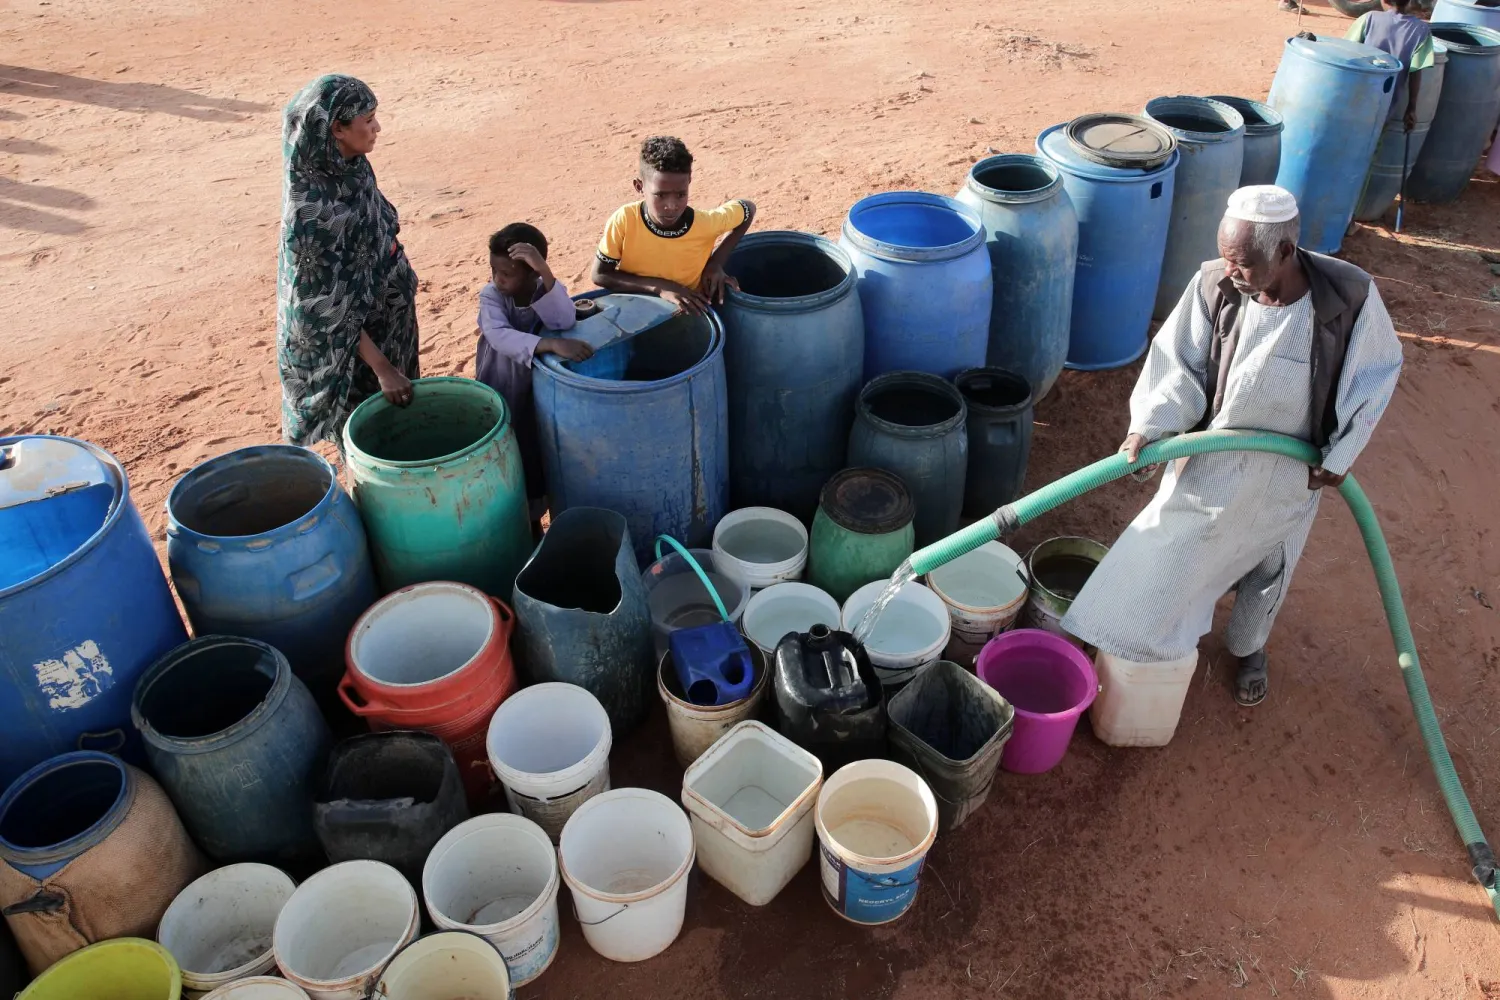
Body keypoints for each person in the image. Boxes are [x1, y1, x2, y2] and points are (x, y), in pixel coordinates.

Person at [1061, 186, 1404, 707]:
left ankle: (1249, 650)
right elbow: (1177, 362)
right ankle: (1114, 637)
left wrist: (1341, 454)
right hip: (1214, 460)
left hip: (1293, 469)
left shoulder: (1348, 296)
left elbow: (1376, 374)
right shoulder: (1214, 286)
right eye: (1225, 257)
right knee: (1166, 550)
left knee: (1270, 569)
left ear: (1285, 252)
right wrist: (1149, 429)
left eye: (1241, 262)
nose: (1230, 271)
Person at [277, 74, 419, 448]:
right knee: (374, 440)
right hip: (359, 356)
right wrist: (383, 369)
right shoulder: (313, 213)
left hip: (389, 329)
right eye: (368, 120)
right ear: (337, 128)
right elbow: (328, 310)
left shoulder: (351, 167)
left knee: (405, 426)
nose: (377, 128)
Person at [476, 223, 594, 523]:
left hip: (538, 387)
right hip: (502, 380)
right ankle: (515, 513)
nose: (498, 280)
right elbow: (498, 335)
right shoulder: (492, 296)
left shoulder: (547, 288)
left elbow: (564, 317)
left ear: (531, 272)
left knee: (534, 444)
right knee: (506, 438)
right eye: (495, 271)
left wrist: (546, 272)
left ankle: (535, 512)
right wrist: (551, 344)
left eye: (507, 274)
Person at [592, 136, 756, 314]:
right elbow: (600, 274)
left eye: (680, 194)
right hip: (635, 312)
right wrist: (662, 288)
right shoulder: (625, 220)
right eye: (660, 195)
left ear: (689, 182)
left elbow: (748, 208)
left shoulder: (705, 223)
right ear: (639, 187)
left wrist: (715, 263)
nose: (671, 206)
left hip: (687, 315)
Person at [1346, 1, 1435, 135]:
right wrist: (1411, 108)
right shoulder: (1421, 30)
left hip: (1353, 98)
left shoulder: (1369, 18)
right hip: (1385, 106)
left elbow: (1345, 53)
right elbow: (1416, 71)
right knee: (1371, 144)